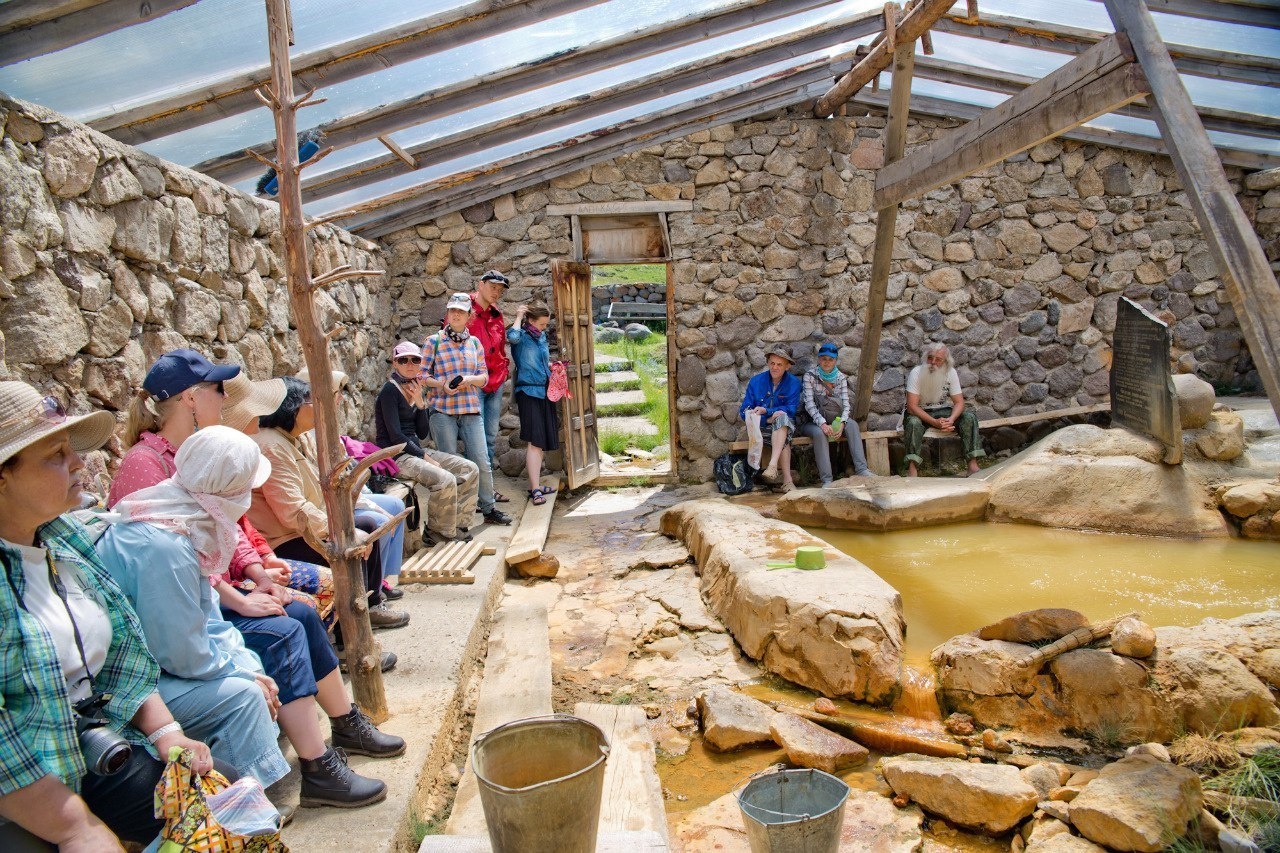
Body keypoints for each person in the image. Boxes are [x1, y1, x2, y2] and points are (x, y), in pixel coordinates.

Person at [100, 428, 396, 809]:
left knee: (301, 615)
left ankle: (344, 725)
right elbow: (181, 651)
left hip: (176, 649)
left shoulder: (181, 514)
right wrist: (242, 670)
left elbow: (203, 617)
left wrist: (240, 638)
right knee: (278, 638)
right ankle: (315, 767)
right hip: (149, 676)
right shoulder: (165, 543)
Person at [0, 381, 219, 852]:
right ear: (2, 478)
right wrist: (76, 827)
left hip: (96, 749)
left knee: (222, 798)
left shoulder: (63, 542)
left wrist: (167, 734)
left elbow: (121, 650)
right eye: (55, 455)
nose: (80, 463)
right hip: (26, 784)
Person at [110, 354, 331, 627]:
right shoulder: (145, 462)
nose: (225, 398)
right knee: (297, 617)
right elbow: (170, 558)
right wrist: (242, 600)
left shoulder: (192, 451)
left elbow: (225, 524)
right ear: (191, 399)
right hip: (186, 605)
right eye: (219, 389)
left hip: (216, 586)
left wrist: (260, 575)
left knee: (301, 609)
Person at [248, 377, 410, 628]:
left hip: (306, 529)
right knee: (359, 533)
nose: (317, 406)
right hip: (286, 539)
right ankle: (352, 631)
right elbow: (292, 511)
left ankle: (371, 603)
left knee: (366, 524)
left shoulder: (295, 438)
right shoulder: (272, 446)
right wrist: (339, 529)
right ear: (291, 407)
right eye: (309, 401)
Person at [374, 341, 480, 545]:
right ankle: (437, 532)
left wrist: (421, 405)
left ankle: (456, 525)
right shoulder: (390, 391)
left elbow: (422, 433)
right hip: (395, 456)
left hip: (414, 451)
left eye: (415, 360)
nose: (410, 364)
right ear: (395, 363)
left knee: (469, 468)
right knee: (444, 478)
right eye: (403, 360)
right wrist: (427, 458)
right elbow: (396, 437)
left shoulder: (415, 388)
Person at [422, 292, 512, 526]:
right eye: (452, 310)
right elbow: (423, 376)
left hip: (471, 408)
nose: (456, 315)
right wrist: (442, 384)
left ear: (469, 316)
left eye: (461, 311)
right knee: (451, 463)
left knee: (481, 459)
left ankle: (488, 508)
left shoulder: (475, 343)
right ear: (447, 313)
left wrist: (469, 380)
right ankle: (453, 516)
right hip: (442, 410)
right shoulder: (434, 341)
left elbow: (484, 377)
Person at [798, 343, 874, 485]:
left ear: (835, 361)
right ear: (819, 360)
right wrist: (822, 424)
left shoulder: (840, 378)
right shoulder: (810, 376)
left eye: (830, 359)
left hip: (835, 419)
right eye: (824, 359)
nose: (827, 362)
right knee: (820, 434)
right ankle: (827, 479)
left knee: (852, 425)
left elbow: (846, 405)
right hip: (812, 422)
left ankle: (862, 469)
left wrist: (842, 423)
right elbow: (809, 405)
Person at [903, 343, 984, 477]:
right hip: (920, 412)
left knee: (969, 418)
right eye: (930, 358)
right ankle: (912, 470)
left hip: (943, 410)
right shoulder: (916, 372)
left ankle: (972, 466)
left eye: (938, 359)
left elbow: (959, 403)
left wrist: (950, 420)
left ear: (946, 362)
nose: (933, 363)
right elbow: (912, 407)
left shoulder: (950, 373)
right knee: (913, 423)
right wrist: (935, 422)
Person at [507, 304, 560, 504]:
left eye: (546, 324)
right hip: (528, 392)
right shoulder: (520, 337)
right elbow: (511, 336)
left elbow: (539, 362)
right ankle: (535, 491)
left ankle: (534, 486)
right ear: (530, 321)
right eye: (541, 324)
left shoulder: (541, 337)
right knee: (535, 442)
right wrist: (519, 315)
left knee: (540, 442)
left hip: (544, 391)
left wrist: (553, 366)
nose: (544, 328)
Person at [468, 269, 512, 501]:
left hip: (495, 382)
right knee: (474, 439)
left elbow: (500, 345)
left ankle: (486, 491)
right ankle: (476, 493)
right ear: (481, 284)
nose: (496, 292)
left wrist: (503, 369)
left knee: (490, 436)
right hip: (474, 384)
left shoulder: (496, 314)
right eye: (493, 287)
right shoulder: (464, 310)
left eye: (500, 289)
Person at [739, 346, 802, 490]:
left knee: (782, 419)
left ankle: (772, 466)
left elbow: (791, 409)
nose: (775, 367)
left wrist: (768, 411)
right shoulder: (756, 382)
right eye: (772, 363)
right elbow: (744, 411)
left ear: (787, 366)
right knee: (784, 436)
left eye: (779, 364)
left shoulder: (794, 383)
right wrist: (767, 418)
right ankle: (787, 481)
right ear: (768, 363)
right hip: (760, 429)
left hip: (783, 425)